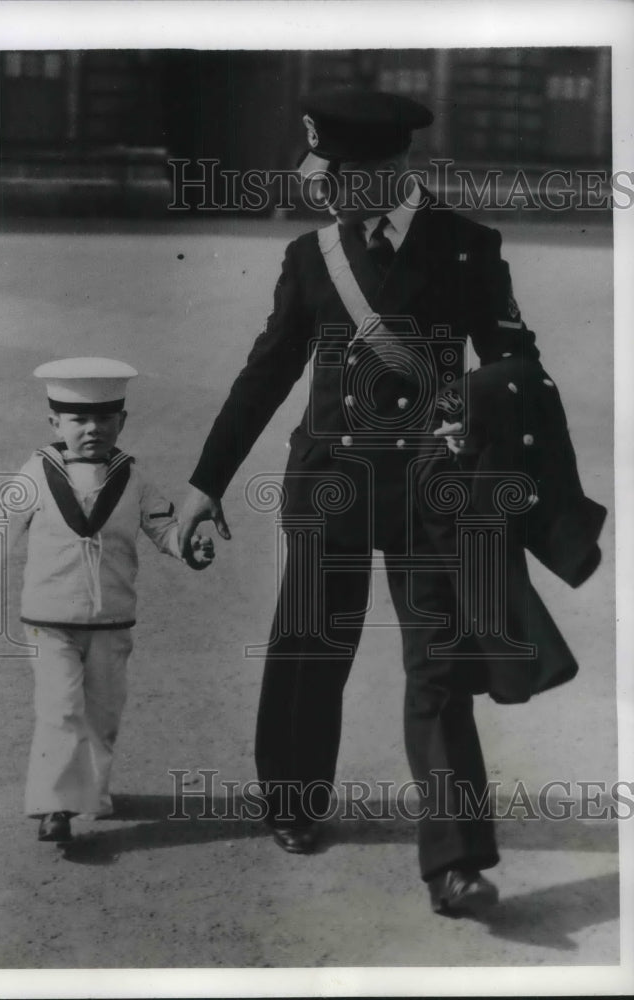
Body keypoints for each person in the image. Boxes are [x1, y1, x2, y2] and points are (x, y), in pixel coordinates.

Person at [176, 87, 605, 916]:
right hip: (330, 484)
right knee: (309, 647)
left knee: (439, 670)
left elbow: (518, 364)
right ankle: (293, 801)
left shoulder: (467, 246)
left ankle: (456, 862)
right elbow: (267, 373)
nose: (316, 184)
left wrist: (473, 403)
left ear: (383, 171)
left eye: (332, 172)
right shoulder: (312, 256)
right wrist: (205, 483)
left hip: (431, 491)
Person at [0, 357, 215, 844]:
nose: (92, 429)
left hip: (111, 619)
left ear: (121, 421)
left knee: (103, 713)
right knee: (59, 708)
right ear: (54, 422)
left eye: (104, 418)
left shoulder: (134, 478)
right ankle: (53, 805)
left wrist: (189, 547)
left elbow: (163, 527)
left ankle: (91, 794)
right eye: (79, 419)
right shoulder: (35, 473)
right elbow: (2, 525)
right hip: (50, 618)